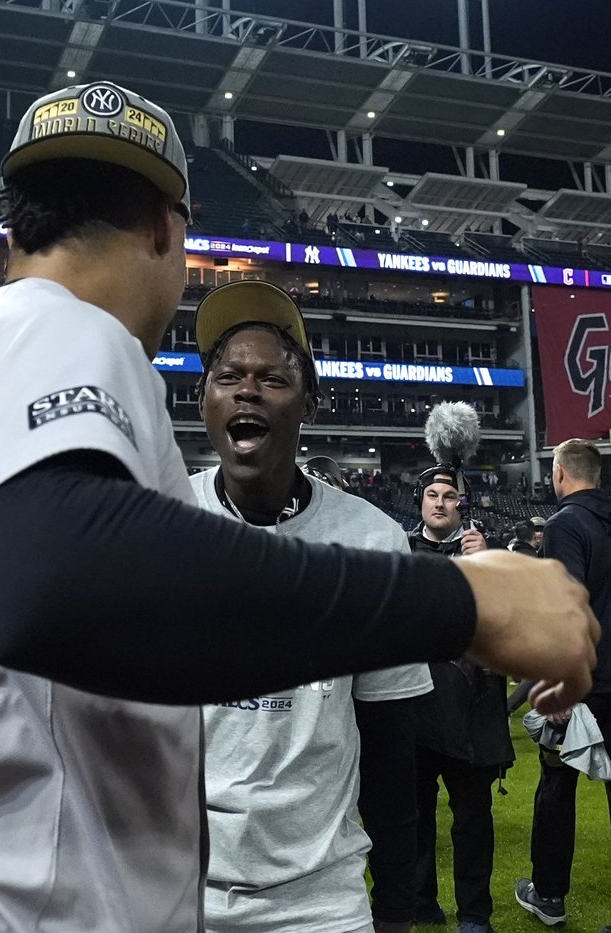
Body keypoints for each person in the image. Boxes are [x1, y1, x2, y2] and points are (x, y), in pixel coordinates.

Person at [0, 80, 599, 931]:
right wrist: (464, 600)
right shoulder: (59, 328)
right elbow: (49, 580)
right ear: (165, 227)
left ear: (16, 223)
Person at [192, 280, 434, 932]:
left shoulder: (373, 540)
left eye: (273, 378)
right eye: (229, 376)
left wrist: (396, 911)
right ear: (203, 400)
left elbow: (391, 750)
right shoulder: (162, 519)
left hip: (320, 900)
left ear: (310, 405)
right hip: (177, 888)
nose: (247, 389)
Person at [514, 439, 611, 933]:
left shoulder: (563, 524)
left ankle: (549, 895)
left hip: (584, 679)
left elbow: (567, 605)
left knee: (557, 783)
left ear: (559, 473)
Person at [362, 468, 512, 933]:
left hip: (472, 710)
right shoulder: (397, 549)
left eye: (450, 495)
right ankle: (420, 902)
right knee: (413, 819)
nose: (441, 502)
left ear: (462, 505)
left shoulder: (490, 555)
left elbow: (510, 628)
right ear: (420, 501)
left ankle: (474, 913)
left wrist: (488, 566)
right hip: (409, 708)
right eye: (432, 494)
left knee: (472, 822)